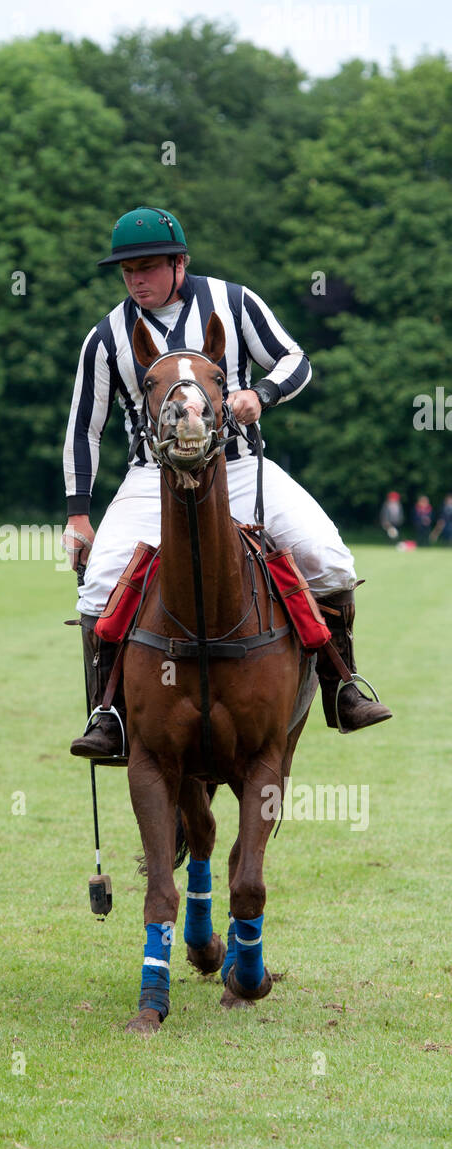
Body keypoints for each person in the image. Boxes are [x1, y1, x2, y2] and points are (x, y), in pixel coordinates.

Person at [64, 206, 391, 756]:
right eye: (127, 271)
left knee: (330, 558)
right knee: (99, 586)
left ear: (179, 262)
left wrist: (259, 395)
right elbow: (83, 428)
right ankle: (109, 715)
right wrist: (77, 515)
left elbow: (295, 361)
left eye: (147, 267)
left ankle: (341, 687)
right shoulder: (107, 337)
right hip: (152, 478)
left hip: (238, 466)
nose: (137, 280)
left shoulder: (234, 302)